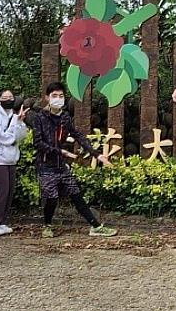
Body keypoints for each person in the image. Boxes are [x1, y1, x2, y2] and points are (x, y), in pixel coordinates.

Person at [33, 82, 117, 238]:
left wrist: (96, 154)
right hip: (46, 165)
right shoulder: (40, 117)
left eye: (61, 96)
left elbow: (77, 135)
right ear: (47, 98)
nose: (58, 99)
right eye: (54, 96)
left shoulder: (65, 117)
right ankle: (47, 225)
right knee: (51, 198)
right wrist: (61, 151)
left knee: (76, 194)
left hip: (61, 166)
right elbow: (38, 143)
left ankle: (96, 226)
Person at [0, 89, 29, 236]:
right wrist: (11, 139)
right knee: (0, 192)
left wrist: (20, 122)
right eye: (5, 97)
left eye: (10, 97)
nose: (8, 99)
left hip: (11, 158)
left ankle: (1, 221)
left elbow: (21, 135)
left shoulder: (14, 116)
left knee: (9, 192)